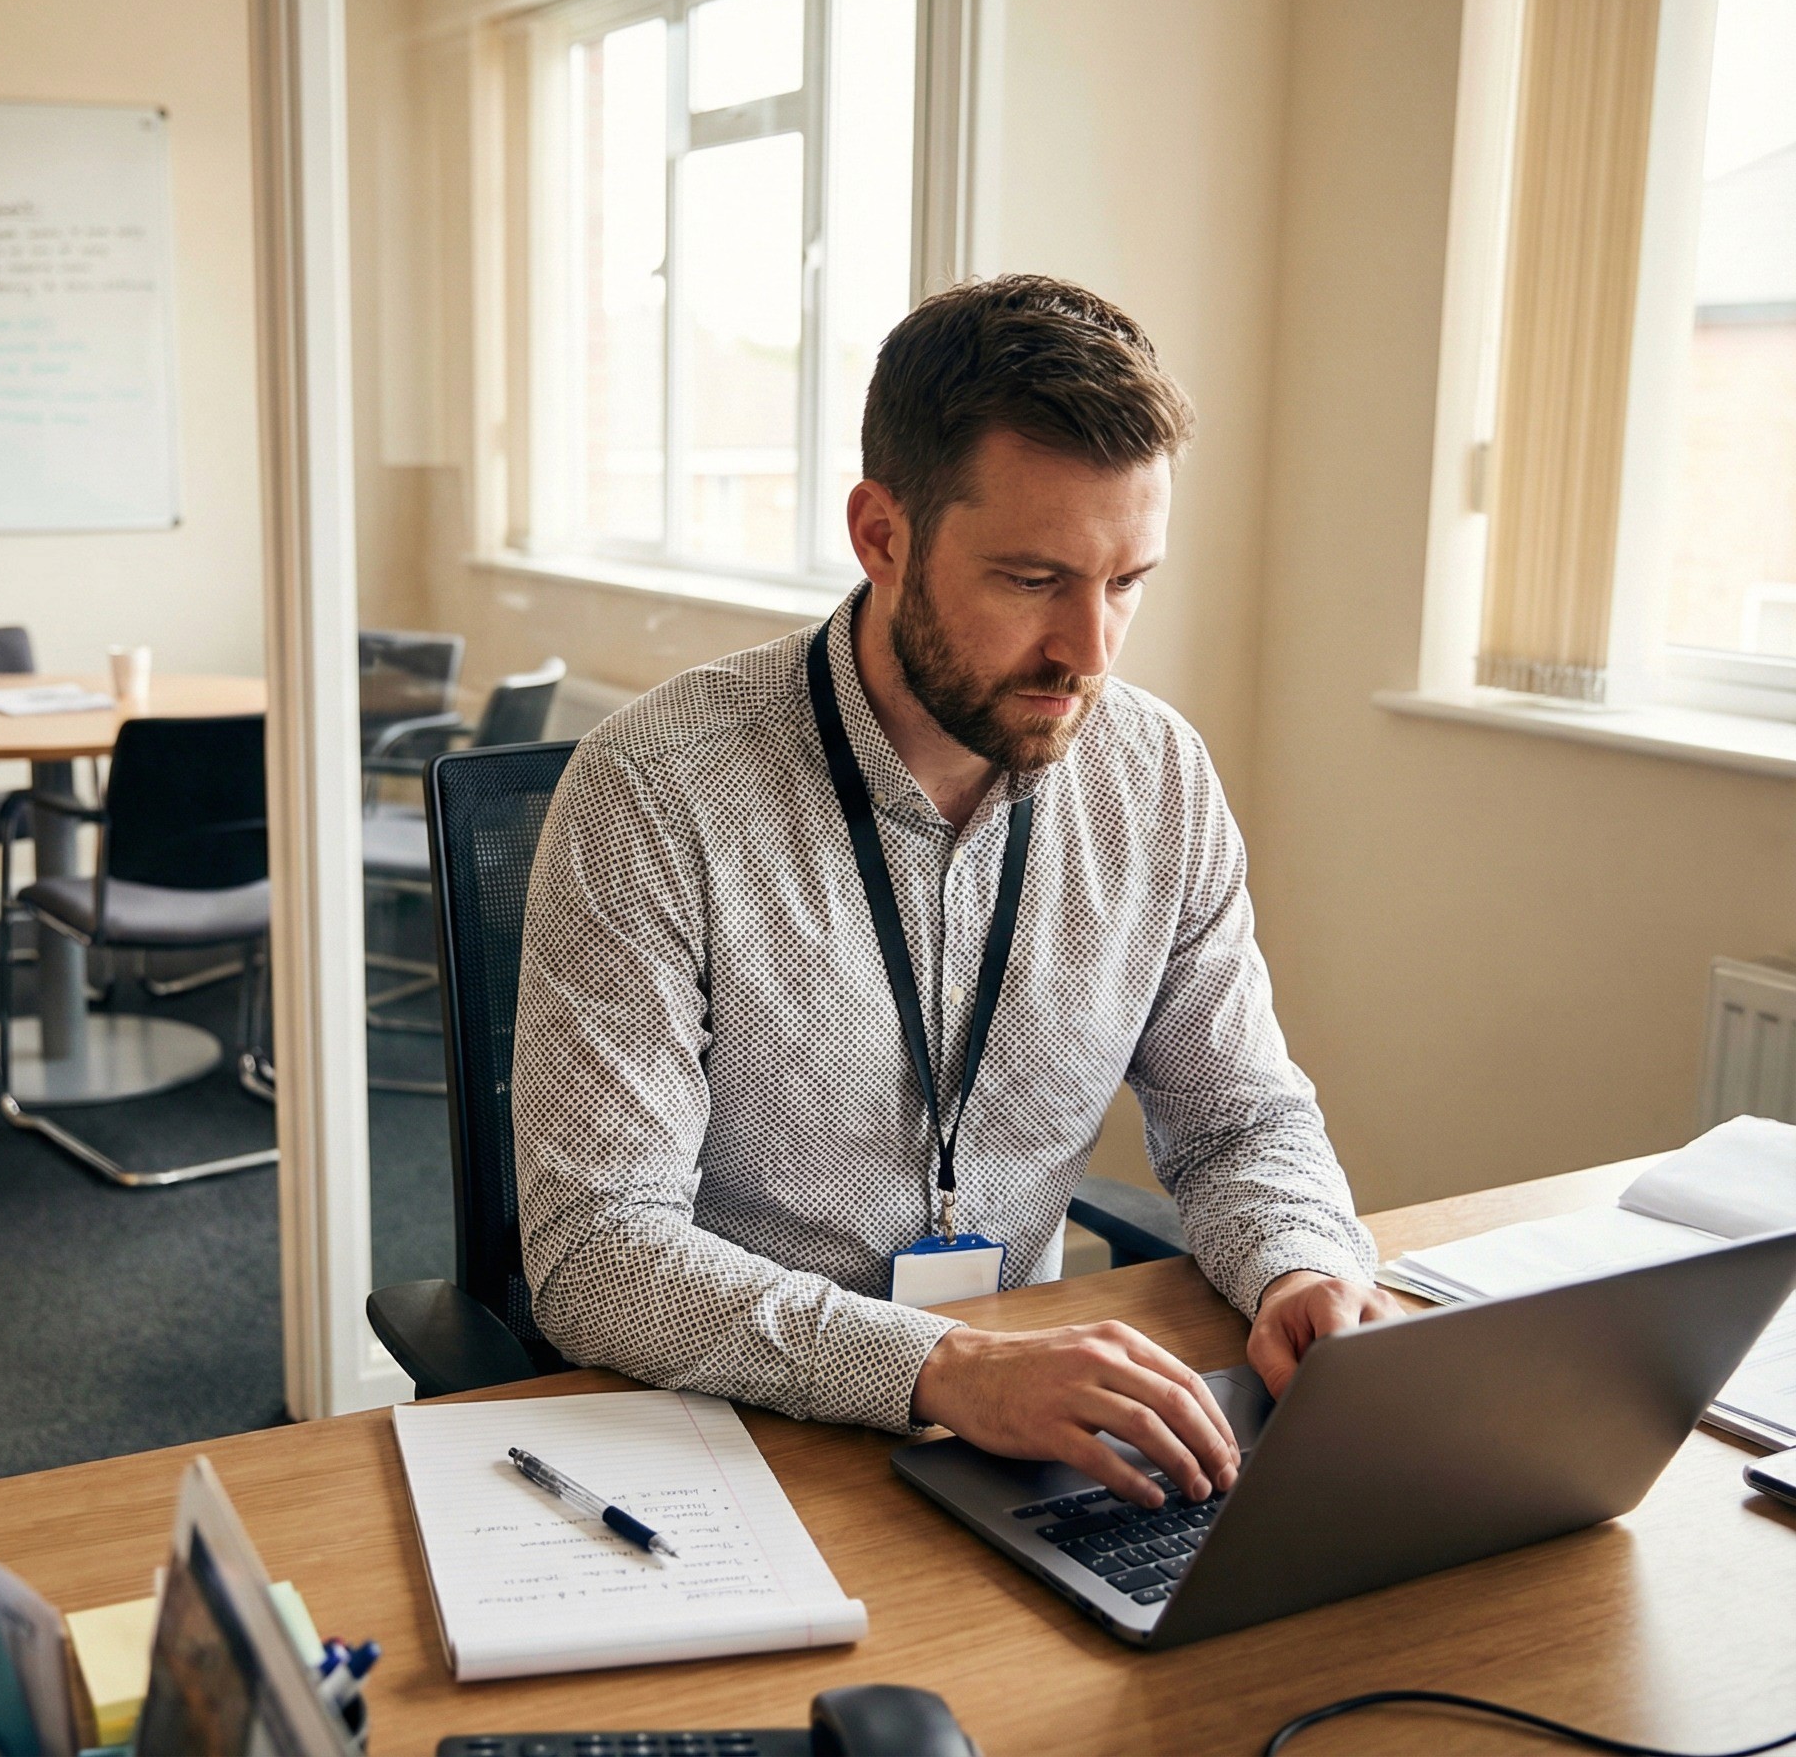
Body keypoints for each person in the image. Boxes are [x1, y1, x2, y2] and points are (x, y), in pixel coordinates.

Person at [510, 274, 1406, 1510]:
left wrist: (1301, 1263)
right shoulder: (659, 791)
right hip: (721, 1444)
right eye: (1035, 580)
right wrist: (946, 1364)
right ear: (882, 534)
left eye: (1129, 581)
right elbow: (596, 1252)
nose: (1091, 653)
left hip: (1024, 1440)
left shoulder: (1157, 780)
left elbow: (1241, 1121)